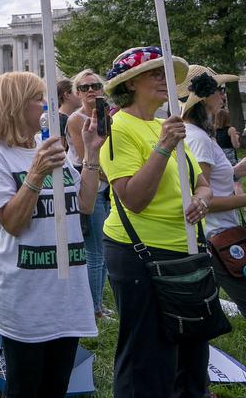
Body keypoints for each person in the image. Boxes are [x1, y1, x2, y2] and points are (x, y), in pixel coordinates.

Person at [0, 71, 99, 398]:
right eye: (37, 98)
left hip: (67, 291)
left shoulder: (49, 147)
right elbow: (12, 223)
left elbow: (85, 205)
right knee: (25, 387)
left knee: (56, 386)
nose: (44, 105)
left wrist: (90, 152)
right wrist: (36, 172)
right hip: (26, 295)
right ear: (14, 106)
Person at [100, 46, 213, 398]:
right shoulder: (119, 129)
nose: (165, 81)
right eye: (155, 73)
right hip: (142, 256)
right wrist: (163, 147)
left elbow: (202, 183)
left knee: (192, 356)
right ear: (130, 83)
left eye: (167, 74)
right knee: (148, 360)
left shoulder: (165, 124)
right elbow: (133, 199)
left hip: (188, 253)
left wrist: (202, 201)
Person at [178, 65, 246, 316]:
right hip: (217, 237)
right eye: (219, 90)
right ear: (204, 97)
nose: (223, 95)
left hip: (216, 235)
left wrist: (236, 171)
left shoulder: (197, 135)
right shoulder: (198, 138)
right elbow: (202, 198)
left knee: (201, 308)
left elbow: (209, 182)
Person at [65, 69, 112, 319]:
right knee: (95, 252)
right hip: (90, 188)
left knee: (103, 251)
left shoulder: (107, 115)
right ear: (77, 93)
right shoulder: (77, 119)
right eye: (84, 87)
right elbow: (86, 159)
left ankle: (98, 304)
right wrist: (118, 177)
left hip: (107, 190)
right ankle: (93, 309)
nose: (91, 90)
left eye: (95, 85)